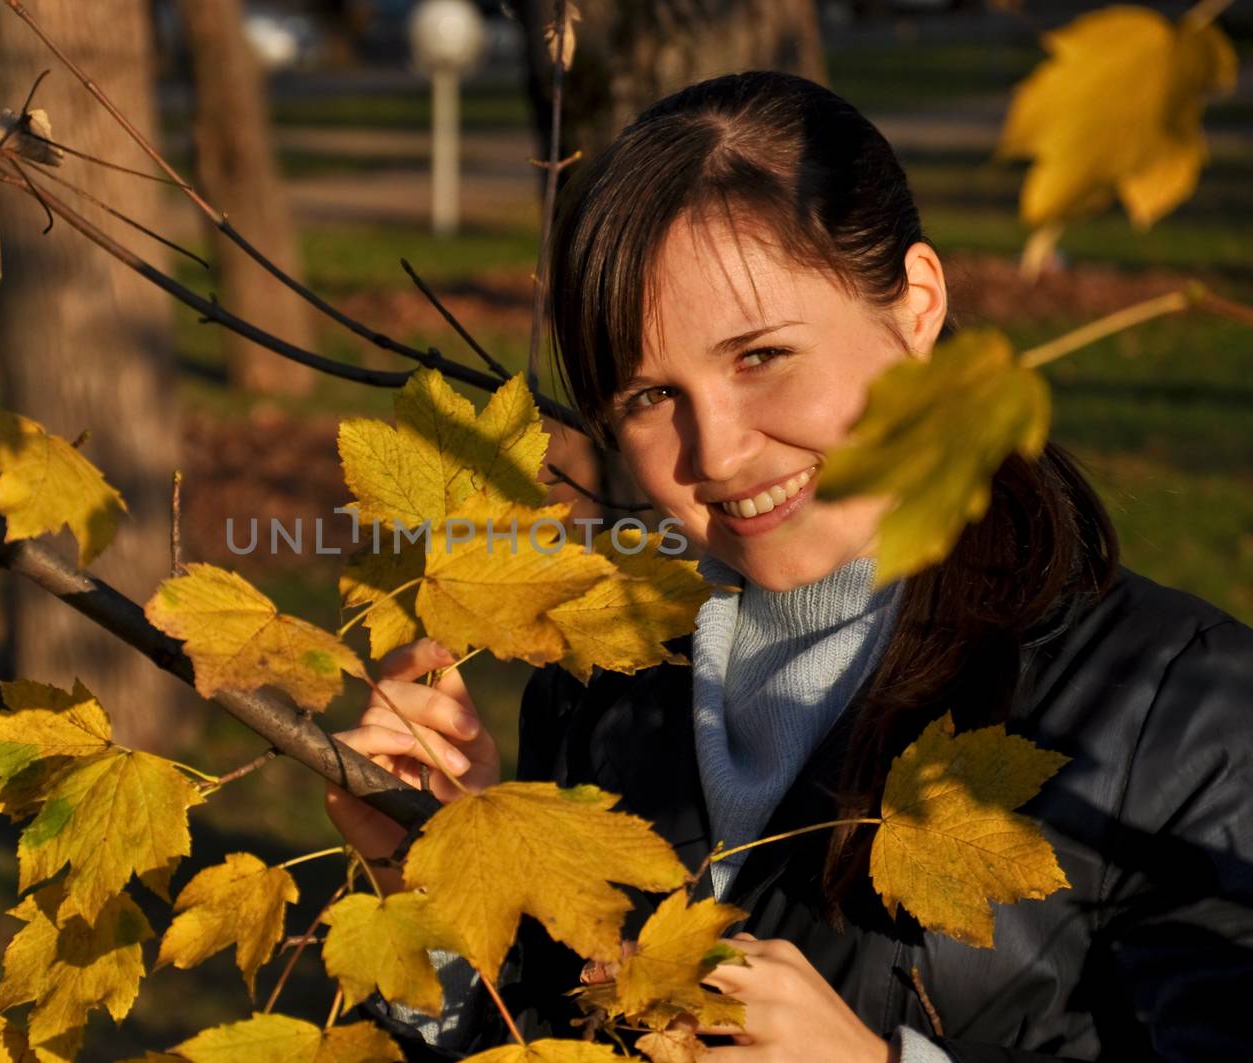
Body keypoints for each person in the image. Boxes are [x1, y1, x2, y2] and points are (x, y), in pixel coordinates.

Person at [323, 71, 1253, 1062]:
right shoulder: (603, 687)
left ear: (917, 304)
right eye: (647, 398)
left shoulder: (1182, 715)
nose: (715, 452)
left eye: (760, 355)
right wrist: (447, 905)